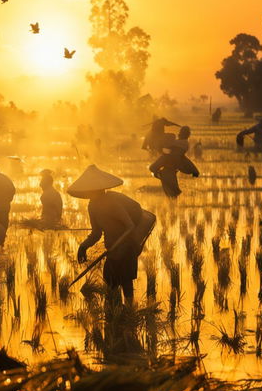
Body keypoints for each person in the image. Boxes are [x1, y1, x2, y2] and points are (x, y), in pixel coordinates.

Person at [69, 165, 155, 304]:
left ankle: (129, 312)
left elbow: (130, 225)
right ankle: (114, 313)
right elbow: (96, 233)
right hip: (113, 248)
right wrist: (84, 246)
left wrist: (119, 244)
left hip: (127, 246)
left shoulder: (112, 202)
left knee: (126, 281)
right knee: (110, 281)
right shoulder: (92, 206)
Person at [149, 125, 199, 198]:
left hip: (168, 172)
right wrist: (194, 171)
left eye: (181, 132)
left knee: (171, 194)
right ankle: (172, 206)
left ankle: (172, 207)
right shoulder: (181, 147)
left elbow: (154, 166)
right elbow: (185, 160)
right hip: (170, 172)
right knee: (172, 194)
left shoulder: (173, 149)